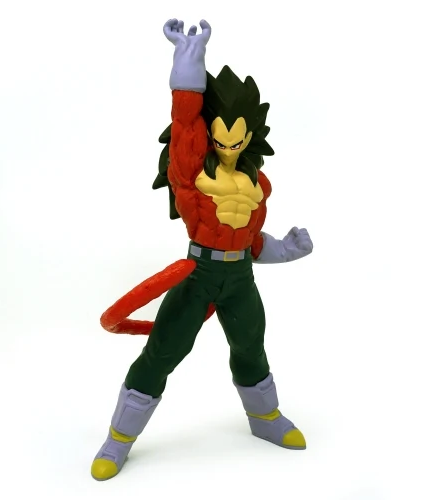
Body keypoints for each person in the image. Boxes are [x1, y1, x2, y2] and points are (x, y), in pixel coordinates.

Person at [91, 18, 314, 481]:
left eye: (237, 137)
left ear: (250, 135)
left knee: (251, 347)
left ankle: (265, 417)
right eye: (220, 135)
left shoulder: (257, 183)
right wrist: (189, 58)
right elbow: (184, 122)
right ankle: (119, 438)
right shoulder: (194, 176)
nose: (228, 145)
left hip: (240, 278)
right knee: (162, 352)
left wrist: (287, 250)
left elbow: (250, 242)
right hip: (198, 277)